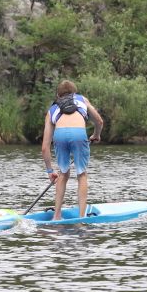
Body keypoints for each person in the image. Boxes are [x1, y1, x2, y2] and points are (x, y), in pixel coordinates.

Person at [40, 80, 105, 220]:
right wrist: (96, 135)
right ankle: (82, 217)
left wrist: (50, 171)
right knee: (81, 174)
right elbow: (99, 122)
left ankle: (56, 216)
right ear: (75, 92)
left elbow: (45, 148)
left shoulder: (52, 110)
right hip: (78, 134)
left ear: (58, 95)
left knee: (63, 174)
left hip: (60, 136)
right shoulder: (82, 99)